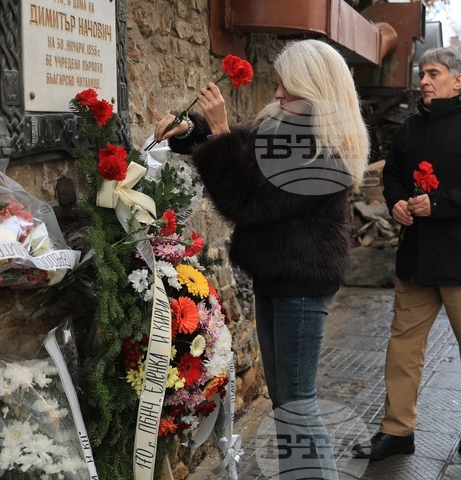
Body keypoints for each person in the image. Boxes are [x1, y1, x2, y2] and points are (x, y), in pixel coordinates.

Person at [155, 39, 370, 479]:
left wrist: (218, 132)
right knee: (287, 401)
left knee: (297, 403)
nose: (276, 95)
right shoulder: (296, 131)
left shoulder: (325, 150)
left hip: (301, 284)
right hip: (279, 277)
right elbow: (249, 154)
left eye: (286, 89)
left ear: (315, 91)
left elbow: (246, 199)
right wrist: (194, 132)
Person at [353, 47, 461, 461]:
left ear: (457, 81)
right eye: (422, 73)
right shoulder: (409, 129)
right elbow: (391, 177)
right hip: (417, 259)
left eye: (433, 73)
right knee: (402, 348)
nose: (424, 80)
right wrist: (399, 201)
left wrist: (438, 204)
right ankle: (397, 431)